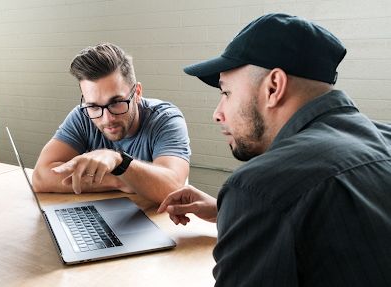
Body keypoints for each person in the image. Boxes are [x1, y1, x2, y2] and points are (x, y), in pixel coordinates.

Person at [158, 13, 391, 286]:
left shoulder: (259, 187)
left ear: (274, 87)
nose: (218, 114)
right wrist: (229, 212)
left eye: (226, 92)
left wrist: (252, 203)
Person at [33, 43, 191, 203]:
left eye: (116, 103)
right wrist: (119, 180)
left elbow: (174, 189)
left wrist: (118, 161)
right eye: (94, 106)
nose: (107, 118)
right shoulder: (82, 116)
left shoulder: (165, 119)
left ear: (137, 93)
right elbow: (41, 177)